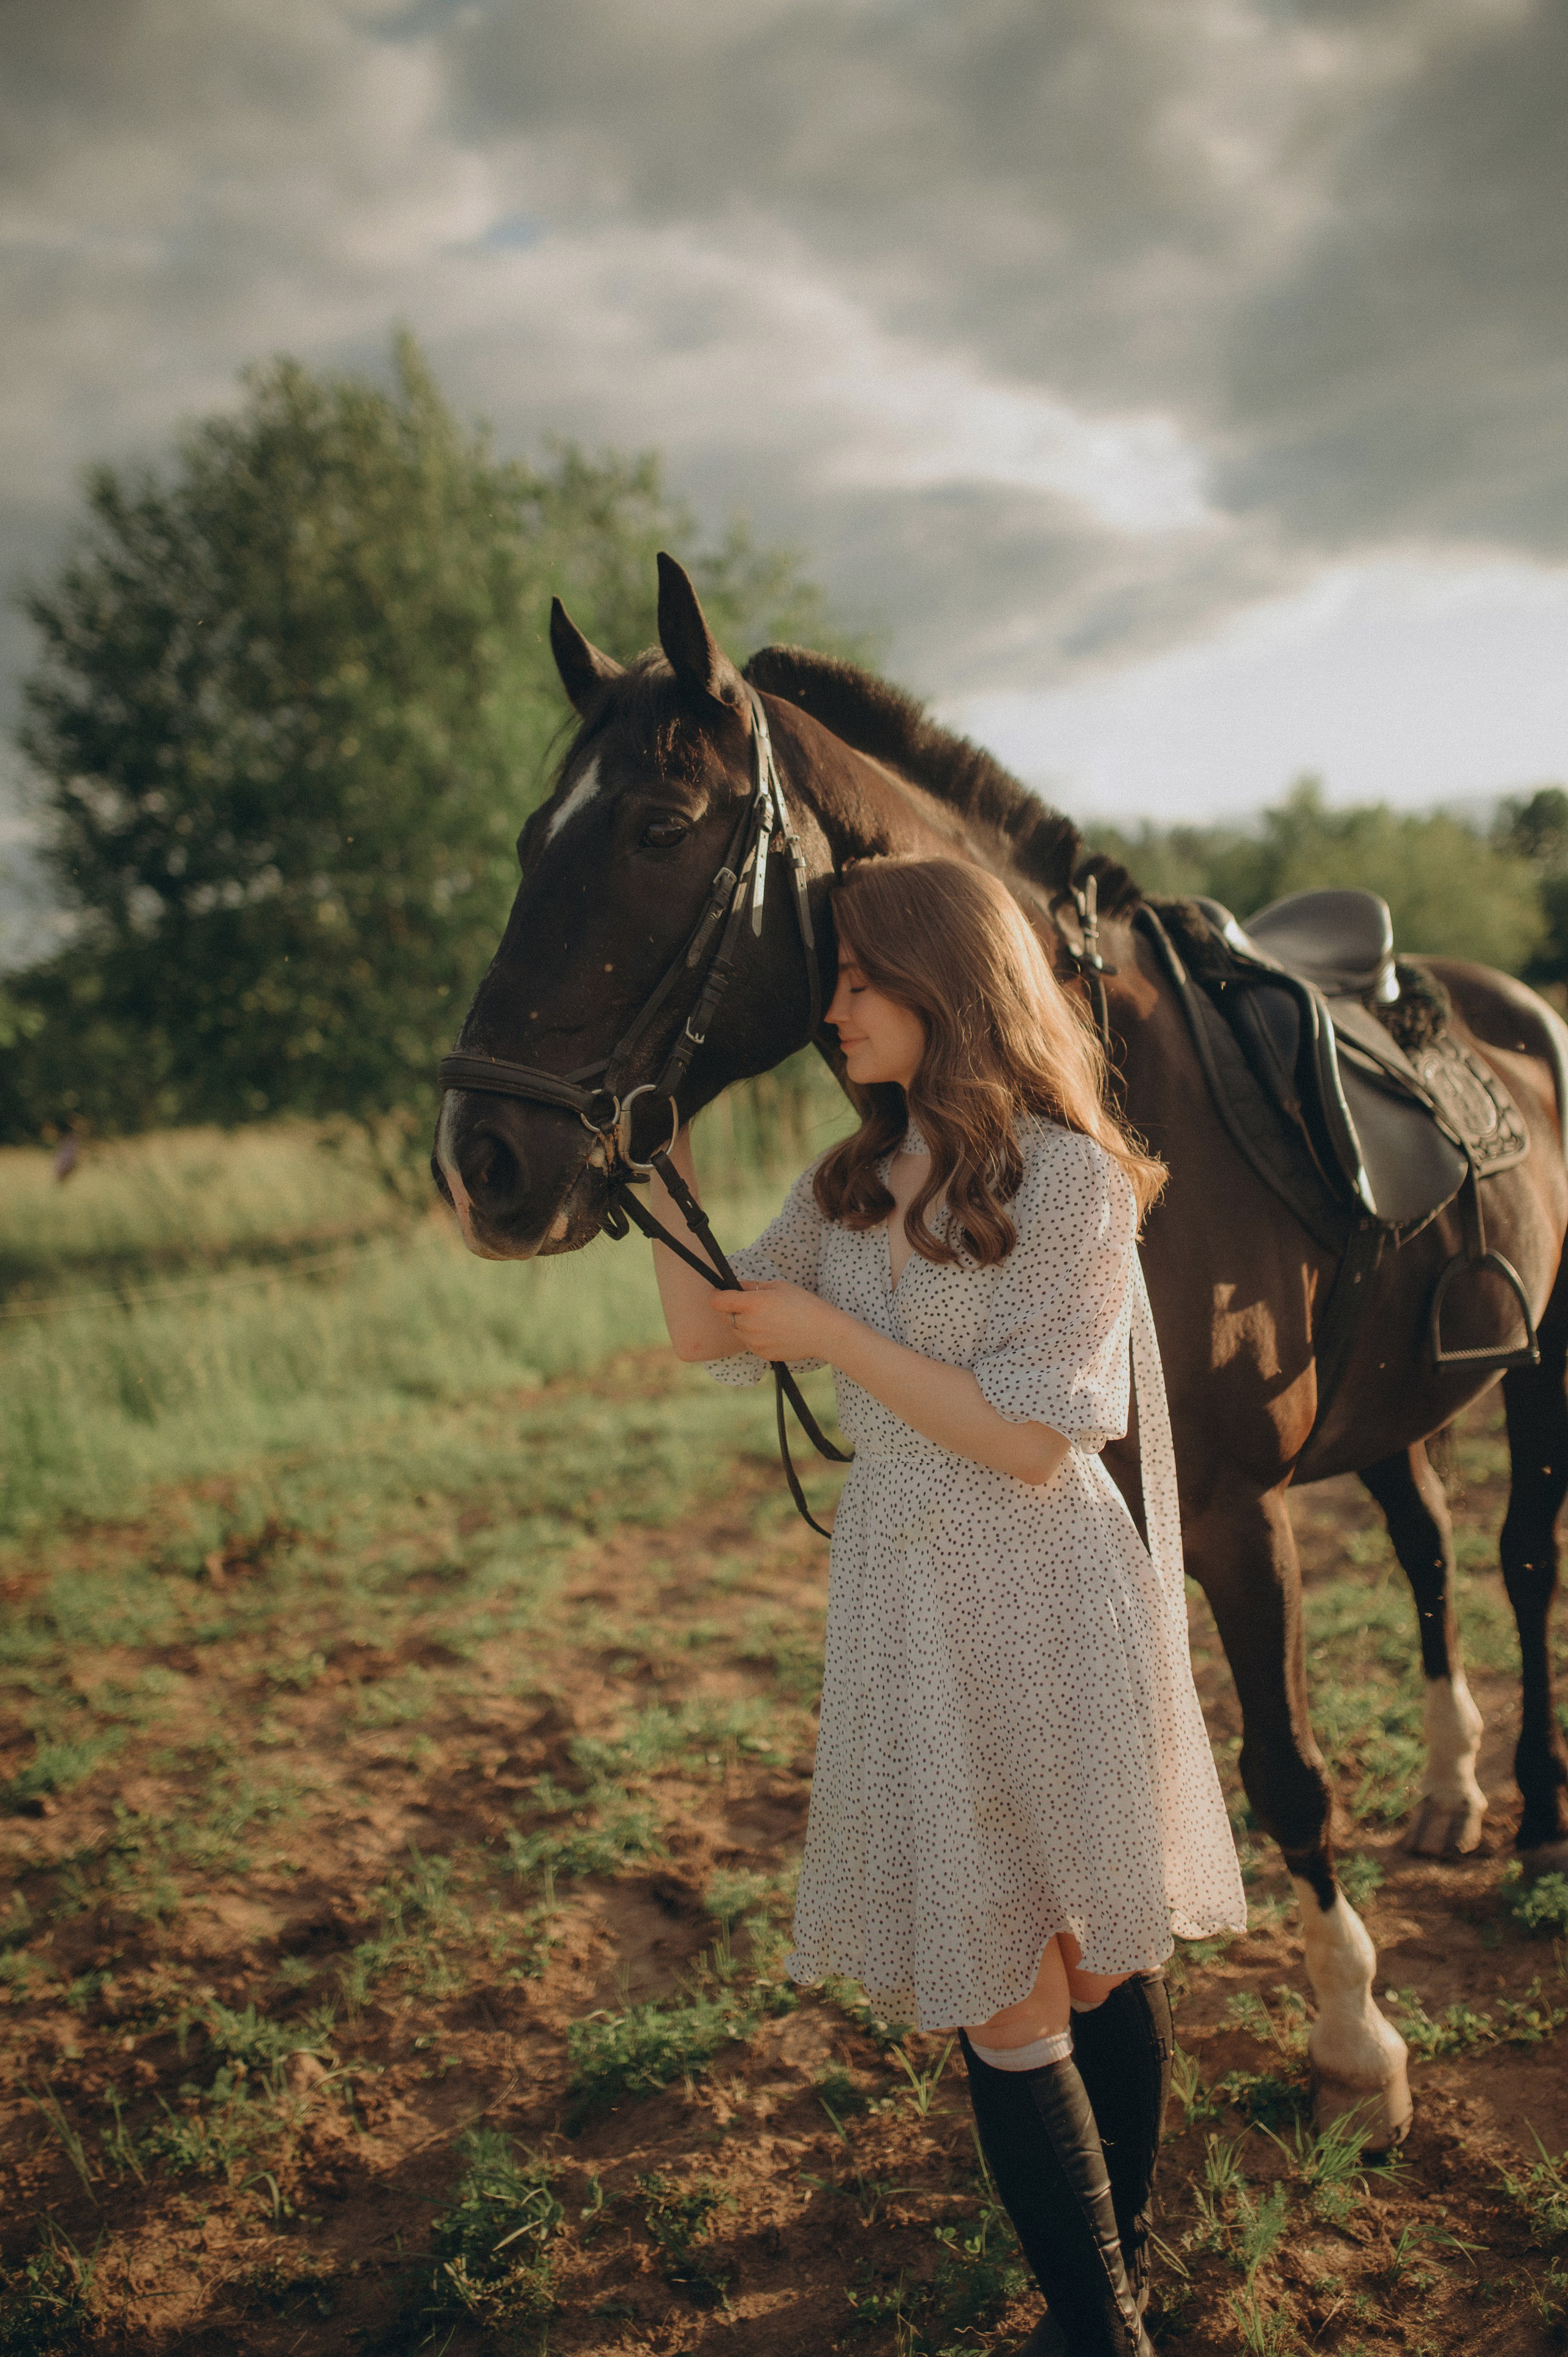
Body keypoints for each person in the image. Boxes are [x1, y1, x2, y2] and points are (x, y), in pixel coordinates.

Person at [648, 856, 1245, 2357]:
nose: (829, 1010)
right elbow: (709, 1337)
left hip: (1049, 1589)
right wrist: (650, 1163)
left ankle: (1113, 2291)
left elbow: (1043, 1438)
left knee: (1093, 1950)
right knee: (997, 1971)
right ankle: (1102, 2315)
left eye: (857, 978)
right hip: (911, 1602)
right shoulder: (851, 1181)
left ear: (944, 980)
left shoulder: (1071, 1179)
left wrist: (830, 1330)